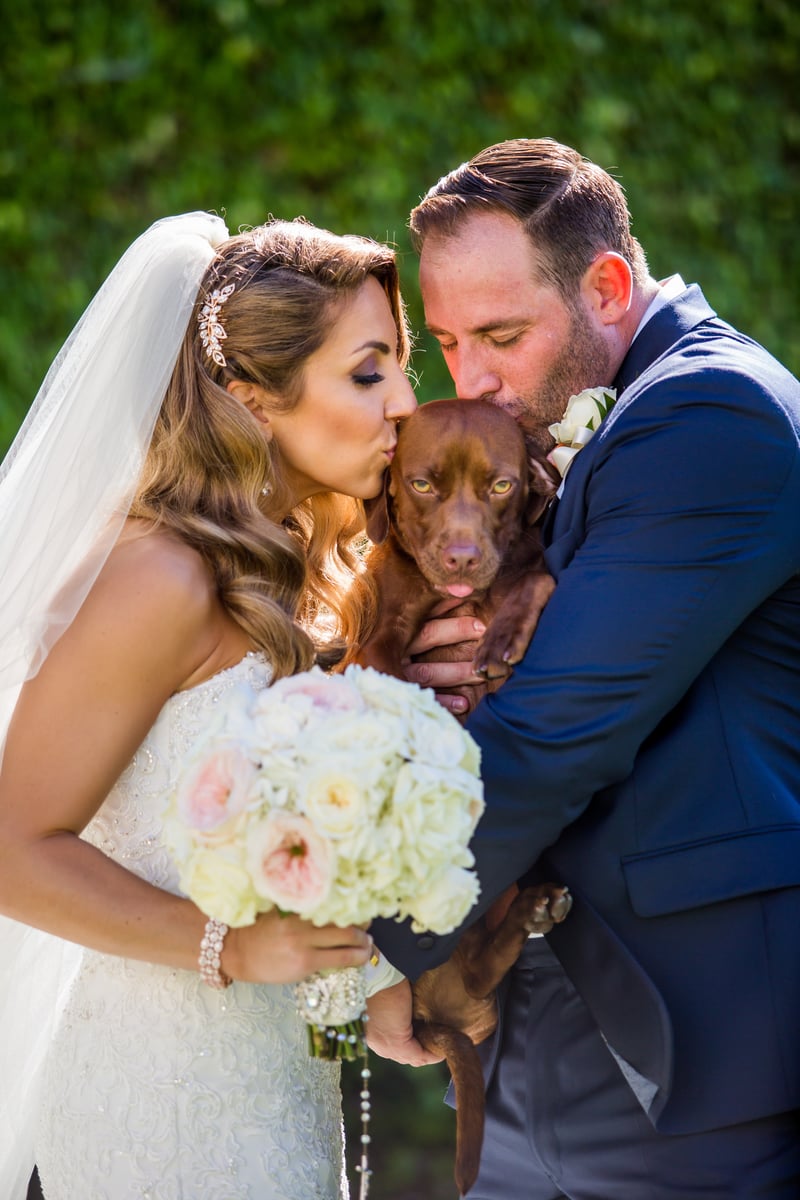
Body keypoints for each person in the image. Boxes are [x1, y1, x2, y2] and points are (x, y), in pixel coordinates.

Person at [370, 138, 800, 1197]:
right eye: (447, 343)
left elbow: (556, 733)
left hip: (696, 1048)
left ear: (606, 287)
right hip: (522, 1031)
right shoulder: (577, 417)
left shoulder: (713, 413)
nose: (472, 380)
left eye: (501, 336)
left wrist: (368, 951)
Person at [0, 211, 433, 1200]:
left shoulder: (289, 578)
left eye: (401, 369)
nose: (407, 404)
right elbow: (12, 848)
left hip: (273, 1085)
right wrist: (228, 947)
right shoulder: (159, 577)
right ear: (253, 401)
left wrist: (368, 992)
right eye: (368, 373)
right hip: (156, 1097)